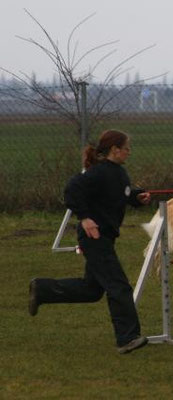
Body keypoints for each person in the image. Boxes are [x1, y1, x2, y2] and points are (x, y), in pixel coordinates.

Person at [28, 129, 152, 354]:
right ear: (115, 150)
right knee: (118, 285)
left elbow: (118, 194)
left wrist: (137, 197)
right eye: (126, 148)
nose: (129, 152)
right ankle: (127, 338)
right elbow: (72, 190)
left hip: (105, 238)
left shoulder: (118, 173)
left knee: (91, 290)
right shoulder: (98, 173)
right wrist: (84, 218)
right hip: (95, 238)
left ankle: (42, 289)